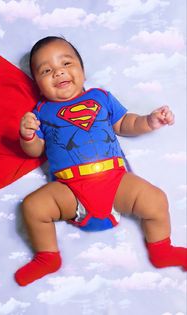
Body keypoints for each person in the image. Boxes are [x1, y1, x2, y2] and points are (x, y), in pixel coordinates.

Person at [14, 36, 187, 286]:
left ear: (83, 70)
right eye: (47, 70)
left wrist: (149, 121)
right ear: (38, 85)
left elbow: (124, 123)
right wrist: (27, 135)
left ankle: (161, 250)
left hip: (116, 182)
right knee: (32, 207)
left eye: (66, 63)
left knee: (155, 199)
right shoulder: (41, 112)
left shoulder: (101, 97)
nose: (59, 71)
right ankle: (47, 256)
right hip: (69, 189)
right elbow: (35, 150)